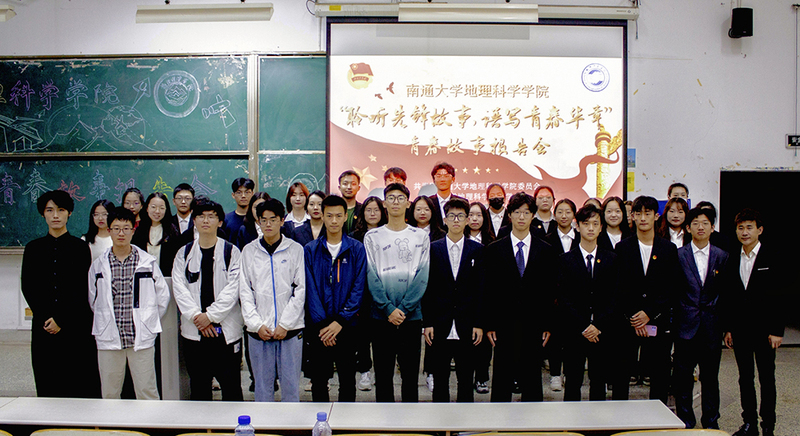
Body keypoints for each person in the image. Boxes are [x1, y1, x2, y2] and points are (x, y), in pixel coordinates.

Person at [21, 190, 101, 398]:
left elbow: (80, 288)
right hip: (44, 326)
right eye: (50, 210)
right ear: (43, 214)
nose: (55, 215)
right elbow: (28, 287)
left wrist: (61, 319)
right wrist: (47, 317)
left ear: (69, 213)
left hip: (76, 325)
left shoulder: (80, 247)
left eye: (61, 210)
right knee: (48, 380)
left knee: (79, 381)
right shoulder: (33, 248)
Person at [88, 206, 170, 400]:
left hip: (140, 336)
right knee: (110, 392)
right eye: (116, 228)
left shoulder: (147, 262)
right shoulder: (99, 265)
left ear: (133, 230)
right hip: (109, 335)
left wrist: (148, 320)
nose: (121, 233)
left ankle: (150, 421)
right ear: (109, 231)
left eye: (126, 228)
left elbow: (162, 297)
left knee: (147, 391)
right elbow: (93, 299)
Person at [485, 192, 556, 402]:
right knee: (502, 376)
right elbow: (489, 290)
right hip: (504, 322)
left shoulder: (545, 250)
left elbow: (549, 291)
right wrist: (490, 323)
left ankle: (532, 420)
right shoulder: (495, 249)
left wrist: (547, 324)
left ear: (533, 215)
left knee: (532, 377)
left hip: (534, 322)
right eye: (517, 212)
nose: (521, 217)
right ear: (510, 215)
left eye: (526, 212)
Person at [172, 197, 244, 401]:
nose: (206, 220)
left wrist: (210, 316)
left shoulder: (232, 252)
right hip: (194, 333)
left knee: (231, 388)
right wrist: (198, 317)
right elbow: (179, 289)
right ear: (194, 220)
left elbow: (233, 290)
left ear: (220, 222)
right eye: (201, 216)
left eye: (211, 216)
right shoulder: (184, 253)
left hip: (225, 332)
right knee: (199, 388)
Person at [364, 183, 430, 402]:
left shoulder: (420, 236)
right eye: (391, 198)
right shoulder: (372, 237)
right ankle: (385, 421)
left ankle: (409, 421)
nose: (395, 202)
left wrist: (403, 308)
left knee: (410, 377)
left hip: (411, 317)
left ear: (408, 203)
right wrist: (388, 308)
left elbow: (422, 276)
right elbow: (371, 276)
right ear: (384, 203)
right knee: (383, 377)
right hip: (380, 317)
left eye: (400, 198)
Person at [611, 195, 680, 404]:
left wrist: (649, 313)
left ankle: (657, 418)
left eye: (647, 213)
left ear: (656, 216)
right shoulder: (622, 248)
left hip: (657, 320)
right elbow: (618, 287)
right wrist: (635, 316)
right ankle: (619, 417)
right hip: (628, 321)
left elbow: (671, 287)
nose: (643, 218)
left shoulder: (668, 249)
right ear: (632, 216)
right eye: (638, 213)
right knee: (621, 374)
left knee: (659, 375)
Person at [725, 209, 786, 436]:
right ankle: (749, 422)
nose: (745, 232)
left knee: (766, 378)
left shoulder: (772, 257)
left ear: (759, 230)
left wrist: (777, 330)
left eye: (749, 227)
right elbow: (730, 297)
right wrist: (729, 328)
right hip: (740, 330)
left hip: (765, 331)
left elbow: (780, 296)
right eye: (740, 228)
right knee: (745, 378)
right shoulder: (733, 257)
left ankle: (768, 425)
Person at [239, 199, 306, 402]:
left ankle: (290, 422)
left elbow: (300, 290)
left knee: (291, 388)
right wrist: (256, 324)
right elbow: (245, 291)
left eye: (273, 219)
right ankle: (264, 422)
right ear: (258, 222)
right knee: (262, 389)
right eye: (264, 220)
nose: (268, 224)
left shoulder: (295, 249)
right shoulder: (249, 251)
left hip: (290, 330)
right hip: (259, 331)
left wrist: (285, 324)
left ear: (282, 221)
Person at [304, 195, 367, 402]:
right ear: (321, 216)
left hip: (347, 326)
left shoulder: (356, 249)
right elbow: (310, 290)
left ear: (345, 217)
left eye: (338, 216)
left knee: (347, 380)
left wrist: (340, 321)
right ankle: (320, 419)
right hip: (319, 328)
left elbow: (358, 287)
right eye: (329, 215)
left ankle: (345, 420)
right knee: (319, 380)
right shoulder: (310, 250)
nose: (333, 221)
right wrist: (323, 324)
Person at [423, 198, 484, 403]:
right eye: (452, 216)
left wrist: (478, 323)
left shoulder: (477, 250)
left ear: (467, 220)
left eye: (460, 216)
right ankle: (441, 420)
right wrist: (428, 322)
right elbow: (428, 288)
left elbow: (480, 290)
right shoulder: (433, 249)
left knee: (466, 379)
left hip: (467, 324)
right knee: (440, 379)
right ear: (445, 219)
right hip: (440, 323)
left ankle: (465, 420)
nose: (456, 220)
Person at [673, 207, 729, 429]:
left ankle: (711, 422)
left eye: (705, 223)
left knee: (710, 378)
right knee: (683, 377)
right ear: (688, 228)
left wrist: (725, 326)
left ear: (712, 227)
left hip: (711, 326)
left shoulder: (722, 256)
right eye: (695, 223)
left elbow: (725, 294)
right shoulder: (679, 255)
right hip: (685, 325)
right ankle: (685, 421)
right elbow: (674, 292)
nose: (701, 227)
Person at [557, 204, 617, 401]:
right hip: (575, 330)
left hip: (602, 330)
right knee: (573, 381)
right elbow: (563, 297)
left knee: (599, 381)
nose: (590, 228)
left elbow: (614, 297)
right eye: (586, 223)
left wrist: (598, 325)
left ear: (601, 227)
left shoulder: (611, 259)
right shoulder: (565, 260)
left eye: (595, 224)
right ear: (577, 226)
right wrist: (583, 325)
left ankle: (597, 421)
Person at [349, 196, 388, 391]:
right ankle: (365, 371)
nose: (372, 214)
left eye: (376, 210)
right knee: (362, 335)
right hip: (361, 292)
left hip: (383, 290)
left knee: (381, 335)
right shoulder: (354, 237)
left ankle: (382, 373)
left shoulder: (389, 234)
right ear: (362, 213)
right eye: (368, 210)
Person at [543, 198, 580, 392]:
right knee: (555, 339)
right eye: (560, 212)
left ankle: (570, 374)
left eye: (568, 212)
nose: (564, 216)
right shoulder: (546, 240)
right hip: (554, 297)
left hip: (576, 298)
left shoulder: (581, 238)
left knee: (573, 339)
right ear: (554, 214)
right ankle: (555, 374)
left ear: (574, 215)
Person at [131, 192, 180, 276]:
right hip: (144, 278)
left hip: (167, 278)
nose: (157, 211)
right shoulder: (140, 231)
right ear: (147, 208)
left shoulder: (173, 232)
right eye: (153, 207)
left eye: (161, 208)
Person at [428, 162, 464, 231]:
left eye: (446, 176)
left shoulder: (461, 202)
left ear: (453, 179)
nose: (442, 179)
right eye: (438, 176)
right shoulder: (428, 202)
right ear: (434, 180)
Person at [338, 170, 362, 235]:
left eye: (353, 184)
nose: (349, 187)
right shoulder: (333, 209)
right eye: (345, 184)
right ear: (339, 187)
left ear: (358, 188)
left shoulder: (363, 210)